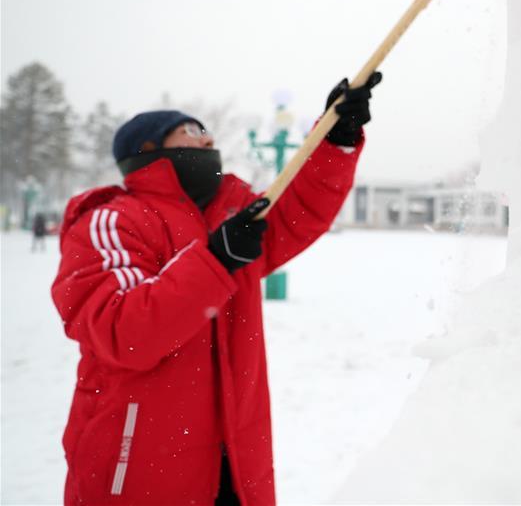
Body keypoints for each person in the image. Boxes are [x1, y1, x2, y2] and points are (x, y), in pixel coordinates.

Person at [50, 73, 381, 506]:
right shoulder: (113, 220)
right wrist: (214, 261)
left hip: (236, 463)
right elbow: (122, 331)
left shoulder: (233, 214)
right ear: (147, 149)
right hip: (138, 467)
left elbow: (298, 210)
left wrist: (334, 138)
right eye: (191, 131)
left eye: (209, 132)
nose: (207, 141)